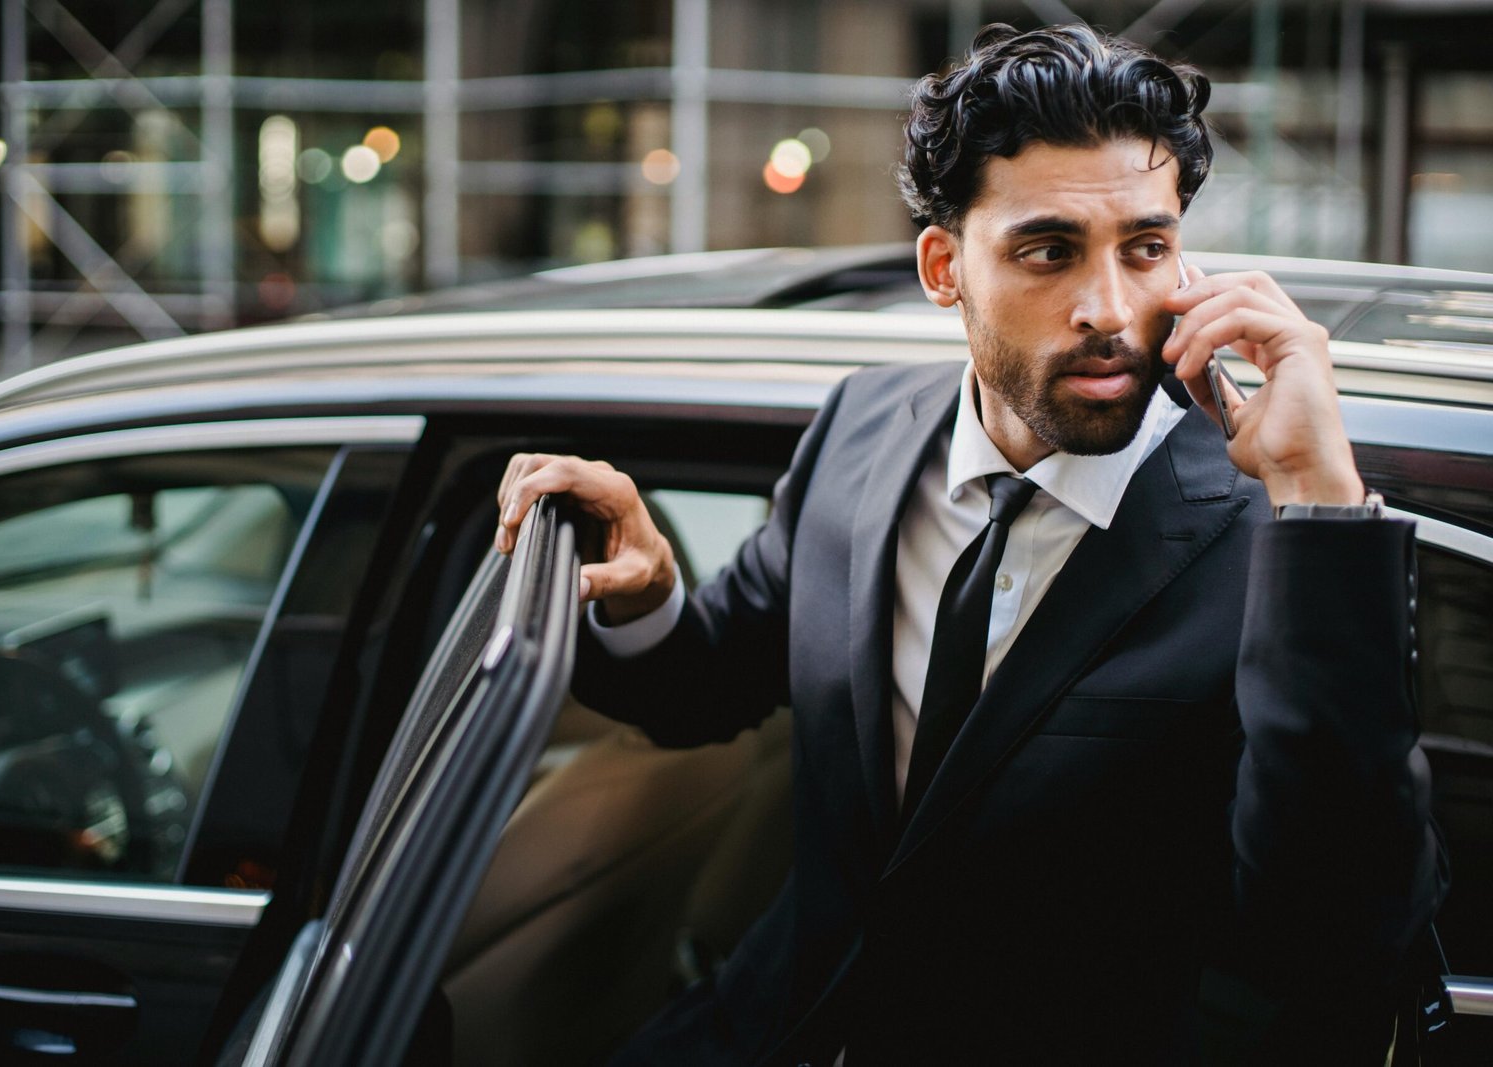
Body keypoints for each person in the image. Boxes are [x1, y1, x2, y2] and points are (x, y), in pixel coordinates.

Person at [496, 23, 1443, 1065]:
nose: (1110, 309)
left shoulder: (1282, 527)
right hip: (772, 1024)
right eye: (1048, 250)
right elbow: (713, 685)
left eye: (1146, 247)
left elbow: (1343, 930)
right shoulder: (860, 431)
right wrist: (647, 593)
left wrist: (1317, 494)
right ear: (943, 266)